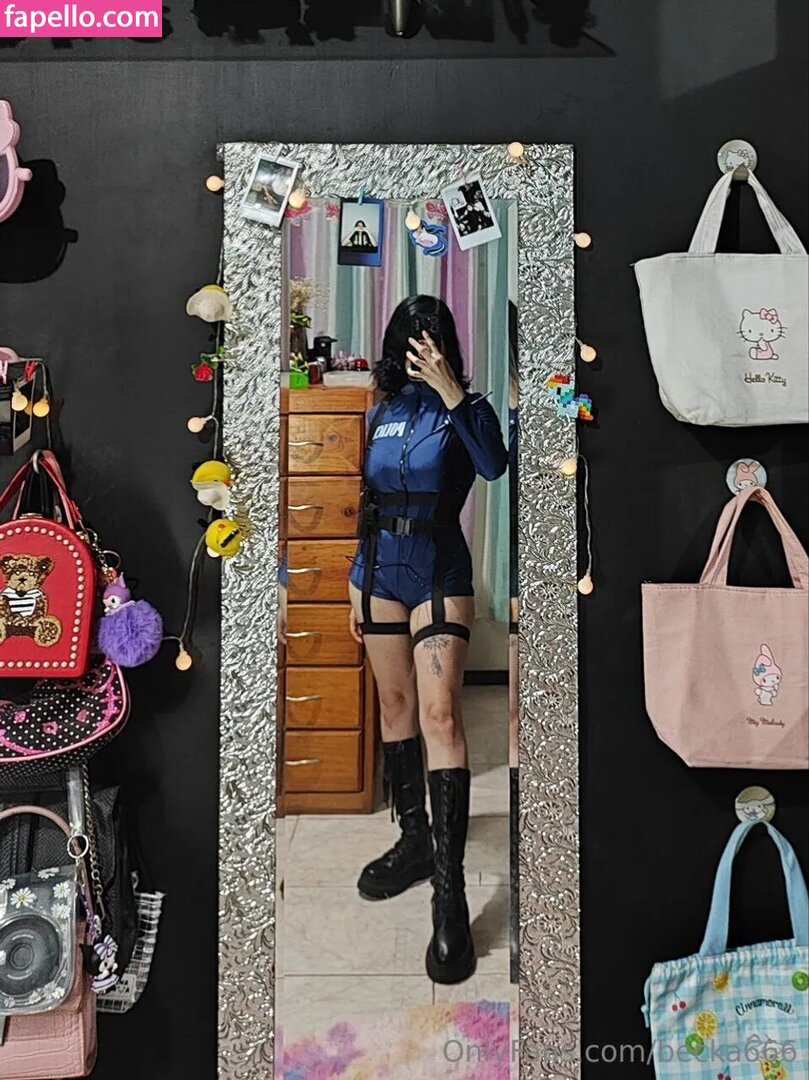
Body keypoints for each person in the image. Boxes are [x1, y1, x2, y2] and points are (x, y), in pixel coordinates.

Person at [348, 294, 508, 986]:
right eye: (410, 336)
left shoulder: (467, 410)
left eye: (432, 335)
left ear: (447, 342)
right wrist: (354, 580)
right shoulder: (379, 410)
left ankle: (450, 893)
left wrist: (452, 393)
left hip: (439, 572)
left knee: (441, 716)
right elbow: (369, 500)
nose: (421, 346)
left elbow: (494, 466)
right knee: (395, 708)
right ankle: (414, 839)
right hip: (378, 572)